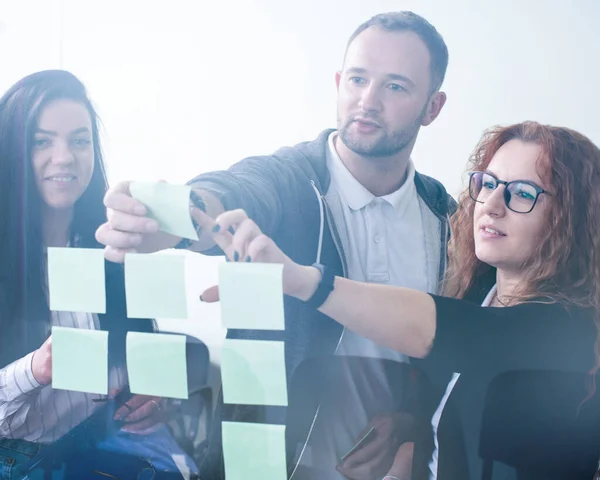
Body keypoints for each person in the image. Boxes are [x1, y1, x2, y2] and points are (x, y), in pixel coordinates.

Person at [95, 11, 456, 479]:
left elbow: (443, 353)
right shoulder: (290, 179)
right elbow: (229, 193)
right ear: (337, 82)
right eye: (357, 79)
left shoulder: (446, 218)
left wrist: (410, 424)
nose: (367, 100)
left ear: (432, 106)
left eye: (395, 87)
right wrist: (165, 220)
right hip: (268, 464)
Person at [196, 120, 600, 479]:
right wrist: (408, 428)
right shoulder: (480, 296)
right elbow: (461, 412)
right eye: (488, 184)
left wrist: (303, 282)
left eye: (522, 193)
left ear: (572, 219)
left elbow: (449, 332)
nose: (492, 205)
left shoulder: (571, 329)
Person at [0, 70, 197, 479]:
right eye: (41, 141)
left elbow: (145, 360)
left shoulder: (117, 249)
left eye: (79, 140)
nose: (64, 157)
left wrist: (156, 393)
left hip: (105, 452)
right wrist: (35, 369)